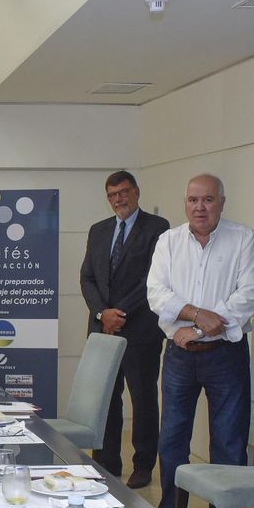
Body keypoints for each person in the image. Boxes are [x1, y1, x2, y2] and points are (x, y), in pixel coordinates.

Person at [146, 174, 254, 508]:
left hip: (225, 355)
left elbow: (247, 298)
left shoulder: (243, 240)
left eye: (208, 200)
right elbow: (156, 294)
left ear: (222, 203)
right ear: (185, 203)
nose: (200, 207)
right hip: (179, 356)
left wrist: (197, 329)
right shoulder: (168, 241)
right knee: (172, 439)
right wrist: (197, 316)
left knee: (228, 444)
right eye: (193, 200)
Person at [80, 170, 170, 488]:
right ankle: (106, 462)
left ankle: (143, 465)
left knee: (142, 397)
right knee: (105, 397)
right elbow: (88, 277)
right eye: (113, 194)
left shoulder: (158, 229)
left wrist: (120, 313)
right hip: (104, 328)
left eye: (124, 192)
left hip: (141, 329)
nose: (119, 199)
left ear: (136, 192)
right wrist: (103, 313)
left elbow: (153, 280)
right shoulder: (99, 230)